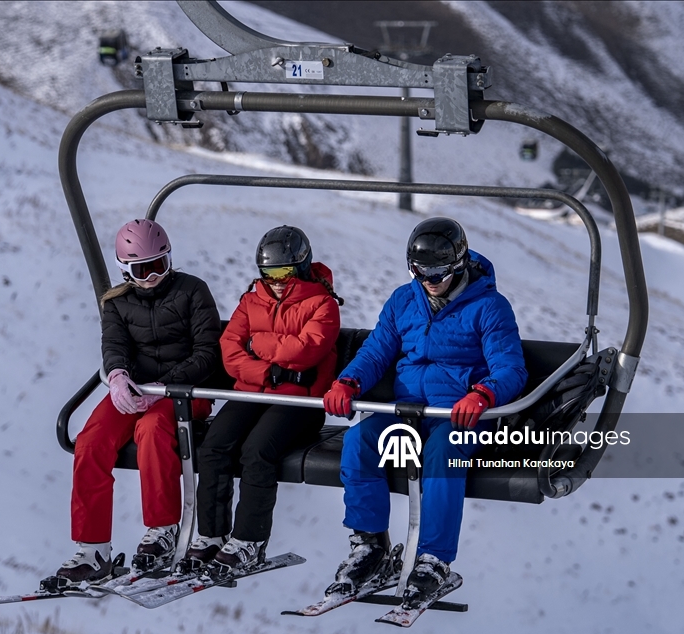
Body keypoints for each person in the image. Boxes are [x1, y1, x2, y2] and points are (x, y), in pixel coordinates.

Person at [322, 217, 527, 602]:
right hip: (408, 410)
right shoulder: (404, 299)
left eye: (439, 272)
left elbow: (510, 367)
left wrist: (484, 394)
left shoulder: (489, 307)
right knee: (360, 440)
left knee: (444, 453)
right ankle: (369, 545)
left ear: (459, 264)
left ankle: (433, 558)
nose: (430, 280)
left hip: (458, 414)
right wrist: (348, 381)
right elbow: (377, 350)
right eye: (421, 271)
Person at [49, 219, 221, 588]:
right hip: (138, 390)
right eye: (144, 270)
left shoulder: (193, 291)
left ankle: (161, 529)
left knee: (153, 429)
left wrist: (168, 384)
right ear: (126, 269)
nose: (154, 276)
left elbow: (208, 353)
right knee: (91, 440)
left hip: (186, 392)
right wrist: (117, 376)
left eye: (161, 265)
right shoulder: (117, 302)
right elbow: (114, 346)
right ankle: (93, 549)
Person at [180, 226, 342, 579]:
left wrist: (257, 344)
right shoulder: (251, 299)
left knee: (257, 450)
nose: (277, 281)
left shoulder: (323, 305)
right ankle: (211, 534)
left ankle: (248, 541)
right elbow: (229, 350)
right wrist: (270, 373)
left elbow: (305, 352)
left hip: (300, 403)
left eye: (284, 273)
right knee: (213, 446)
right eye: (269, 274)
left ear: (301, 267)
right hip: (253, 391)